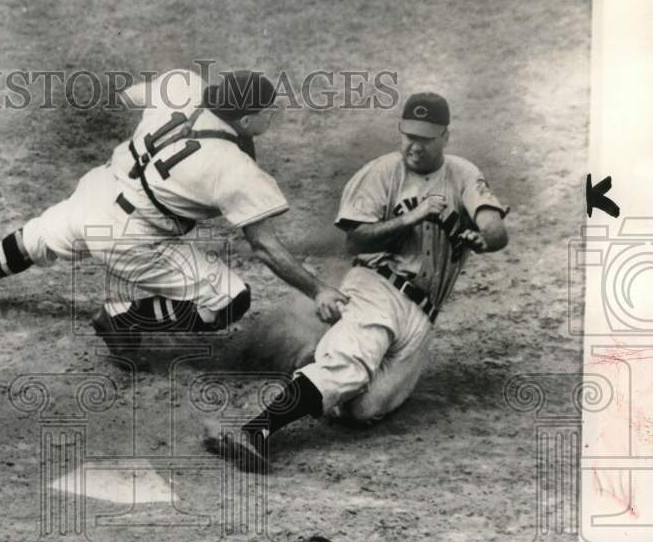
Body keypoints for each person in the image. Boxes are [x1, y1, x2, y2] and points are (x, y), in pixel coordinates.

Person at [0, 69, 348, 367]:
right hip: (133, 237)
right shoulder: (237, 170)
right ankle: (124, 318)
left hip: (98, 189)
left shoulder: (182, 84)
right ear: (248, 119)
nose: (273, 117)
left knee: (36, 239)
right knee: (229, 299)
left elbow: (130, 96)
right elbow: (265, 247)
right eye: (268, 113)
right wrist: (318, 290)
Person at [205, 92, 510, 472]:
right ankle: (255, 430)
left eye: (426, 137)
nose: (415, 145)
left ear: (445, 136)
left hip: (423, 317)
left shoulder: (463, 173)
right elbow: (355, 240)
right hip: (377, 287)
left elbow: (495, 227)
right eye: (408, 134)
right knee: (348, 369)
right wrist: (409, 219)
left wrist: (485, 235)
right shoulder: (381, 172)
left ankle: (315, 357)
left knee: (362, 411)